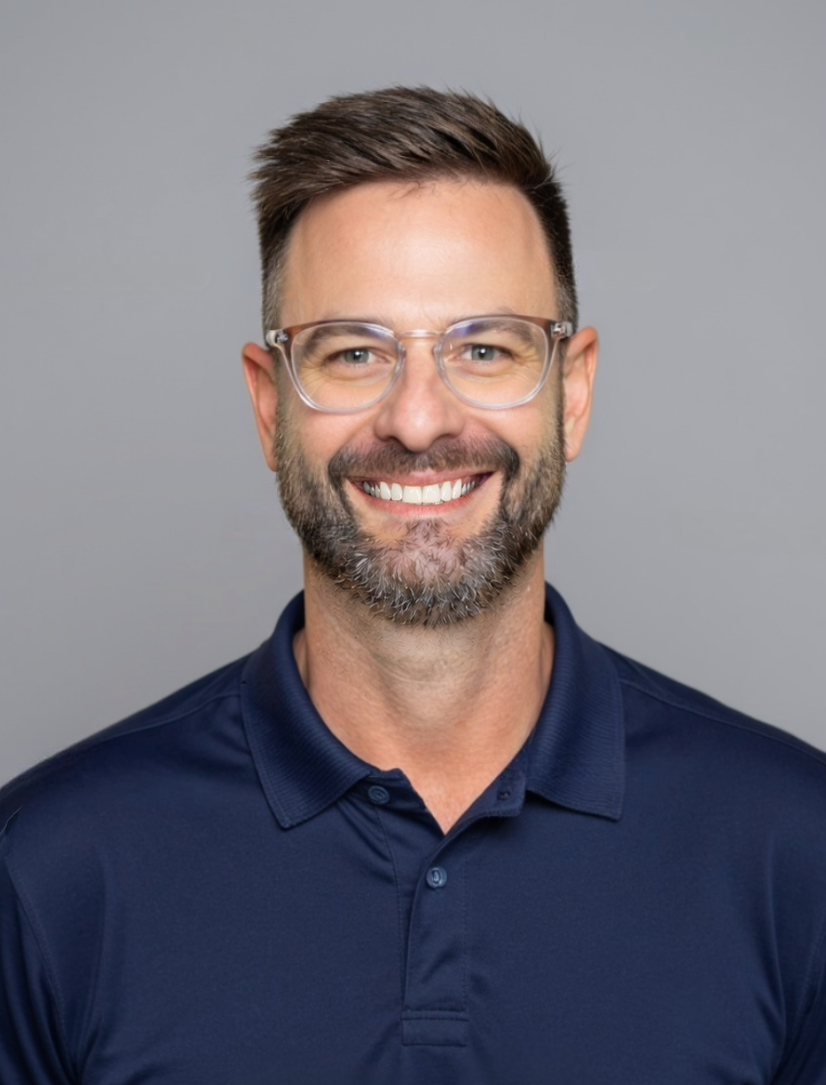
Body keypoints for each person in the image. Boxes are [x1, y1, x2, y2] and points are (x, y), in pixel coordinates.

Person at [1, 86, 824, 1085]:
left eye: (485, 348)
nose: (421, 418)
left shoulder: (795, 848)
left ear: (573, 391)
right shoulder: (43, 871)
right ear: (269, 406)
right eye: (354, 353)